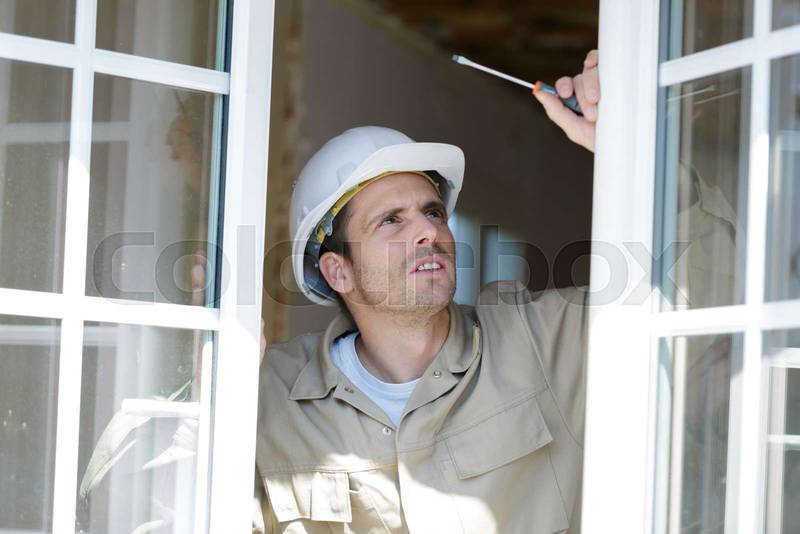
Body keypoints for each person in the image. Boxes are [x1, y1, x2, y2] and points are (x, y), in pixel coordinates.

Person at [252, 52, 601, 533]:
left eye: (433, 212)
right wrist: (193, 364)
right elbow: (172, 506)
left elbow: (693, 292)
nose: (428, 231)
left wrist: (630, 149)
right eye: (391, 221)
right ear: (338, 272)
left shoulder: (539, 340)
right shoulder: (270, 392)